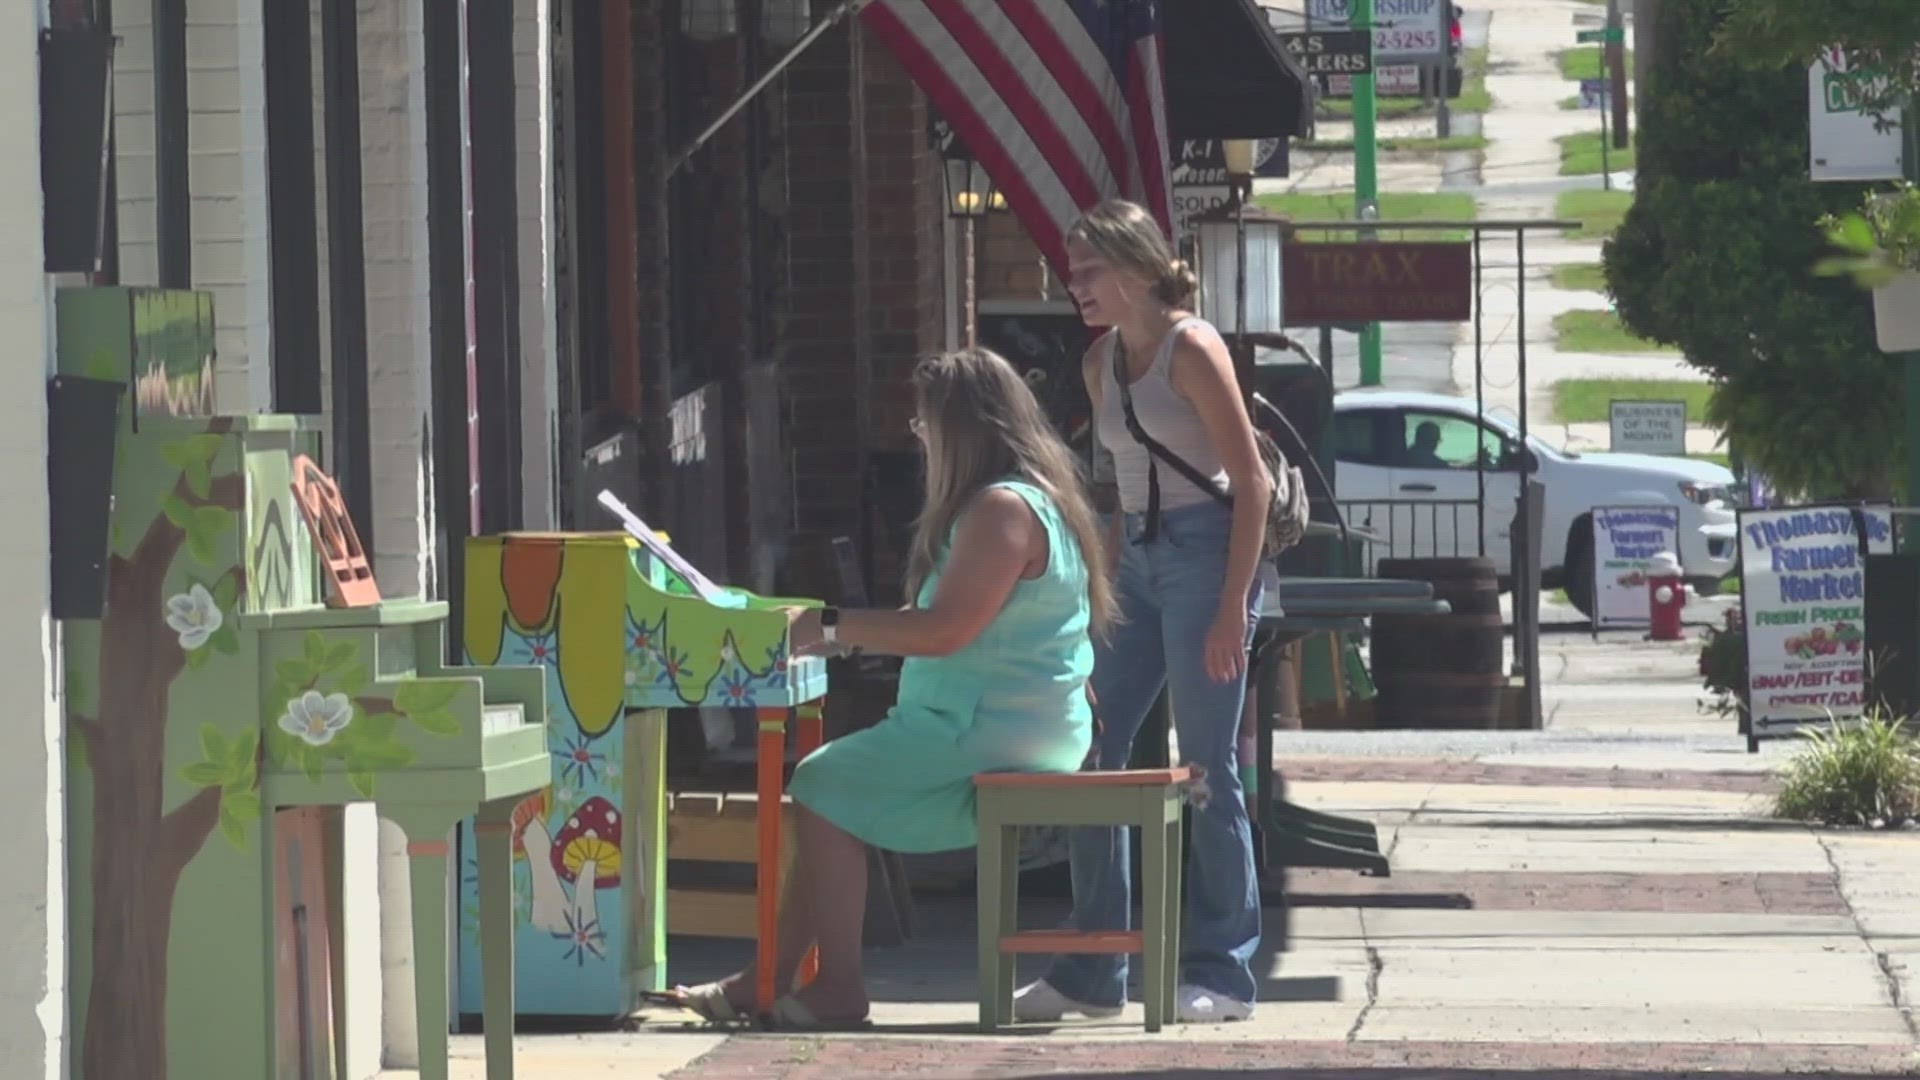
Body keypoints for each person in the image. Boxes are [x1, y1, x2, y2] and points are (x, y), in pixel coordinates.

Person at [657, 348, 1116, 1030]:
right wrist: (823, 627)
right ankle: (769, 979)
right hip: (1002, 718)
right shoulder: (1031, 503)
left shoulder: (1001, 510)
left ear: (961, 428)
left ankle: (837, 986)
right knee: (836, 789)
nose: (918, 435)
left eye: (925, 421)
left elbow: (945, 631)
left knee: (821, 782)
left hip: (987, 725)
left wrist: (833, 629)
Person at [1015, 198, 1274, 1025]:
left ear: (1134, 268)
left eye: (1089, 270)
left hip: (1209, 558)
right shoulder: (1100, 365)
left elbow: (1252, 485)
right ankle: (1095, 969)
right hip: (1141, 564)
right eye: (1073, 269)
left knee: (1204, 769)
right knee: (1088, 742)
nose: (1075, 284)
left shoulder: (1190, 348)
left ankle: (1223, 972)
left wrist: (1233, 608)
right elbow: (1119, 494)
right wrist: (1105, 592)